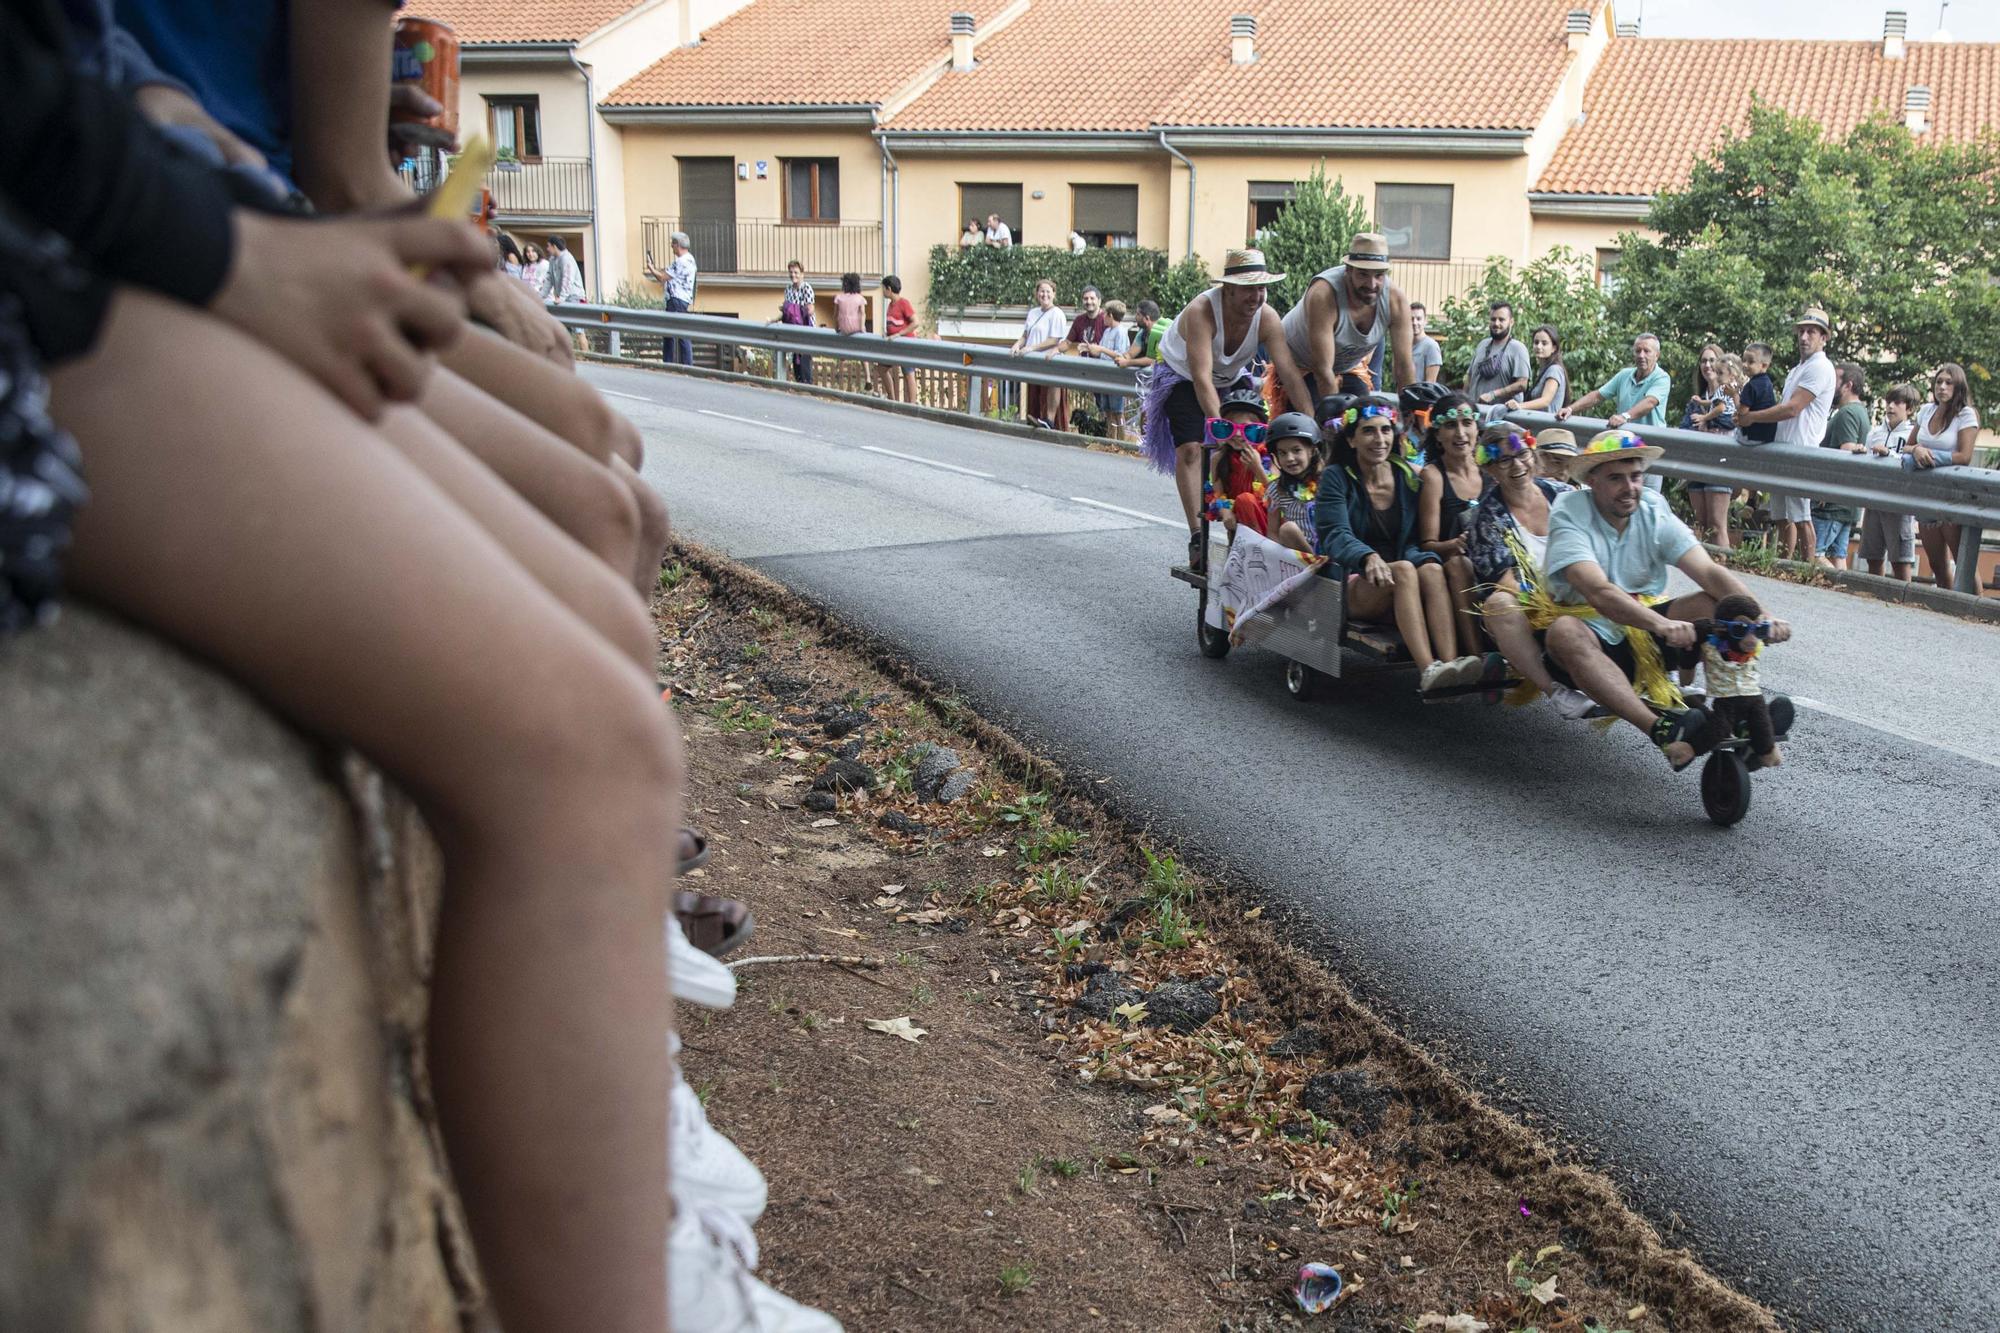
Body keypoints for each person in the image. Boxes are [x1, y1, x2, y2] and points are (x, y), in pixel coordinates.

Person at [6, 13, 683, 1329]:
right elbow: (335, 169)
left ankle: (628, 1139)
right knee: (590, 758)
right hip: (81, 242)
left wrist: (163, 140)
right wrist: (220, 236)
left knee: (600, 637)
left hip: (109, 202)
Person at [1537, 431, 1790, 769]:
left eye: (1636, 476)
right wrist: (1662, 624)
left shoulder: (1652, 508)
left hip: (1644, 633)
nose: (1630, 488)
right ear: (1592, 480)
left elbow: (1709, 572)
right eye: (1616, 478)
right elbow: (1599, 593)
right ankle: (1662, 730)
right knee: (1564, 631)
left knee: (1715, 605)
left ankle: (1738, 708)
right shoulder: (1569, 511)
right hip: (1591, 634)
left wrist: (1761, 618)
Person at [1142, 248, 1313, 565]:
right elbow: (1202, 379)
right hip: (1183, 374)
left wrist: (1310, 425)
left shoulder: (1268, 318)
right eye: (1249, 289)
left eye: (1261, 289)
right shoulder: (1202, 311)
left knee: (1253, 441)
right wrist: (1220, 432)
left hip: (1231, 376)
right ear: (1228, 288)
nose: (1256, 297)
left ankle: (1252, 518)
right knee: (1194, 448)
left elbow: (1288, 372)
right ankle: (1197, 535)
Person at [1314, 395, 1486, 693]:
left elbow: (1420, 536)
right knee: (1406, 569)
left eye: (1385, 430)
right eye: (1368, 430)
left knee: (1430, 568)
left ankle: (1453, 666)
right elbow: (1334, 534)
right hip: (1356, 582)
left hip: (1402, 578)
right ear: (1352, 440)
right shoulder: (1336, 478)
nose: (1379, 439)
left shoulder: (1407, 475)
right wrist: (1367, 557)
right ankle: (1428, 670)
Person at [1463, 426, 1594, 717]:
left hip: (1582, 592)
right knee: (1498, 604)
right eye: (1505, 460)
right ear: (1491, 469)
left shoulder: (1564, 495)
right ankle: (1556, 691)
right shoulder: (1486, 518)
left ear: (1533, 454)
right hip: (1532, 608)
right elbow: (1506, 584)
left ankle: (1662, 672)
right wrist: (1554, 602)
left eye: (1522, 454)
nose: (1517, 465)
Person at [1736, 309, 1836, 562]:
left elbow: (1792, 408)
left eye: (1811, 332)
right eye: (1801, 331)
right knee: (1781, 515)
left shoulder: (1821, 367)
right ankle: (1783, 567)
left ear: (1824, 337)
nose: (1804, 337)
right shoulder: (1798, 369)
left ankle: (1807, 569)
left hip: (1801, 449)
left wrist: (1752, 417)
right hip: (1783, 447)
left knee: (1802, 517)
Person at [1274, 231, 1414, 411]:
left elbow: (1404, 366)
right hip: (1300, 364)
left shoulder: (1396, 300)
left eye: (1378, 275)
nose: (1371, 285)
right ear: (1348, 271)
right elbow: (1322, 371)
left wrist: (1412, 415)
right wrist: (1335, 422)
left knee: (1364, 418)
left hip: (1347, 367)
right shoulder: (1324, 295)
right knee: (1313, 423)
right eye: (1363, 274)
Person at [1417, 397, 1486, 654]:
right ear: (1438, 435)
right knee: (1460, 564)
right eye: (1450, 425)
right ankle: (1476, 655)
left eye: (1467, 423)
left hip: (1494, 562)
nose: (1460, 433)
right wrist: (1457, 544)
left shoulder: (1491, 469)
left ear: (1477, 429)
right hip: (1453, 565)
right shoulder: (1434, 476)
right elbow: (1427, 543)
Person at [1910, 362, 1980, 589]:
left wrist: (1931, 456)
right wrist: (1917, 450)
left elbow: (1964, 456)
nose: (1942, 387)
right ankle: (1945, 608)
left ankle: (1976, 609)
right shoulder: (1926, 411)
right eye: (1939, 382)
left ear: (1958, 386)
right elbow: (1908, 446)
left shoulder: (1966, 415)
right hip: (1926, 493)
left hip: (1952, 494)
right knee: (1937, 564)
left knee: (1964, 563)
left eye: (1948, 382)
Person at [1697, 594, 1783, 769]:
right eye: (1741, 629)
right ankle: (1689, 748)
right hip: (1726, 700)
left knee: (1762, 719)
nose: (1752, 639)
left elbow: (1773, 633)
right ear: (1723, 629)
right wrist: (1699, 629)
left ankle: (1761, 749)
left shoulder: (1757, 644)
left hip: (1753, 698)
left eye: (1757, 630)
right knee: (1719, 728)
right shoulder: (1713, 646)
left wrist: (1777, 630)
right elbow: (1697, 636)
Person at [1812, 362, 1871, 569]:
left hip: (1832, 504)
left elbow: (1846, 452)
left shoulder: (1847, 414)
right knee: (1838, 557)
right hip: (1846, 503)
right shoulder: (1860, 412)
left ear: (1848, 385)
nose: (1830, 385)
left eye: (1835, 380)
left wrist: (1826, 491)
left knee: (1813, 555)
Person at [1861, 381, 1921, 580]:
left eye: (1897, 403)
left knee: (1900, 559)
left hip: (1899, 502)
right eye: (1889, 402)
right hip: (1874, 499)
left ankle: (1903, 599)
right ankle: (1874, 595)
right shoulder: (1875, 433)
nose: (1890, 407)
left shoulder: (1913, 434)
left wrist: (1889, 454)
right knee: (1873, 556)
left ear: (1910, 408)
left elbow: (1912, 462)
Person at [1679, 341, 1737, 548]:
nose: (1708, 365)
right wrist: (1702, 427)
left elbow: (1732, 421)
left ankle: (1724, 566)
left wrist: (1705, 421)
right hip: (1697, 463)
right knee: (1702, 523)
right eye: (1704, 361)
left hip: (1721, 462)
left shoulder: (1731, 396)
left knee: (1717, 523)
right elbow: (1685, 428)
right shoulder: (1697, 400)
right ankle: (1707, 568)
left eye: (1712, 360)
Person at [1008, 277, 1068, 429]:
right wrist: (1017, 345)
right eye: (1042, 291)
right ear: (1037, 294)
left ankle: (1050, 420)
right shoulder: (1033, 313)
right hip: (1033, 361)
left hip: (1048, 358)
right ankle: (1035, 418)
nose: (1044, 295)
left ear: (1054, 294)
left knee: (1051, 387)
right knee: (1034, 392)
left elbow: (1054, 339)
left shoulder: (1057, 313)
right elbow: (1025, 335)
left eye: (1048, 292)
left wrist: (1032, 348)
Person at [1080, 298, 1132, 438]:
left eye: (1105, 315)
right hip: (1105, 375)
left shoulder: (1120, 332)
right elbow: (1100, 350)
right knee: (1107, 410)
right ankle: (1111, 437)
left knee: (1117, 411)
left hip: (1115, 376)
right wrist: (1090, 348)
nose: (1103, 317)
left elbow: (1119, 354)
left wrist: (1101, 349)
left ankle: (1122, 439)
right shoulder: (1108, 331)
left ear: (1110, 315)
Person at [1464, 300, 1530, 410]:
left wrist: (1493, 394)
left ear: (1511, 322)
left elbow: (1522, 384)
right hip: (1474, 413)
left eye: (1501, 319)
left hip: (1501, 418)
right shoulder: (1482, 345)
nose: (1496, 323)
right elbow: (1469, 378)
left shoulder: (1518, 349)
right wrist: (1463, 400)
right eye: (1493, 319)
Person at [643, 232, 696, 365]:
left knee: (671, 333)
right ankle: (685, 364)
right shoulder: (690, 260)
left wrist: (651, 268)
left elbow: (661, 277)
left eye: (672, 243)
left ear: (678, 245)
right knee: (680, 333)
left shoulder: (680, 261)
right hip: (683, 300)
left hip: (675, 300)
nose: (671, 246)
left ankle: (669, 363)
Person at [1505, 324, 1567, 415]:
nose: (1539, 346)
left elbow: (1545, 401)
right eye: (1536, 342)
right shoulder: (1543, 370)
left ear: (1554, 348)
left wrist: (1519, 406)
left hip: (1547, 426)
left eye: (1544, 343)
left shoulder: (1554, 370)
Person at [876, 273, 919, 403]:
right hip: (893, 344)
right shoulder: (890, 305)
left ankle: (912, 404)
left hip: (905, 343)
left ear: (889, 289)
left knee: (908, 372)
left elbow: (915, 322)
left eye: (883, 288)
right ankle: (892, 399)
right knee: (882, 368)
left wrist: (899, 334)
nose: (882, 291)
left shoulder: (903, 303)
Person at [773, 259, 815, 385]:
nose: (793, 275)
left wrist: (796, 310)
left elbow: (810, 309)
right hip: (793, 329)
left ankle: (807, 387)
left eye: (796, 272)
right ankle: (800, 385)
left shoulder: (806, 288)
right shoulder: (788, 290)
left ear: (802, 273)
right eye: (791, 272)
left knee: (804, 362)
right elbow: (787, 311)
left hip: (805, 329)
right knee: (796, 361)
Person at [541, 234, 585, 305]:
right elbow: (549, 280)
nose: (547, 249)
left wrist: (562, 298)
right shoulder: (552, 259)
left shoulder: (566, 259)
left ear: (554, 246)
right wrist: (541, 296)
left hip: (574, 297)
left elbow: (568, 279)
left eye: (548, 246)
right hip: (562, 297)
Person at [1409, 302, 1443, 384]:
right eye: (1411, 319)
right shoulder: (1405, 346)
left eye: (1418, 319)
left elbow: (1430, 384)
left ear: (1425, 321)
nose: (1414, 323)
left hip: (1421, 396)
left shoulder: (1431, 347)